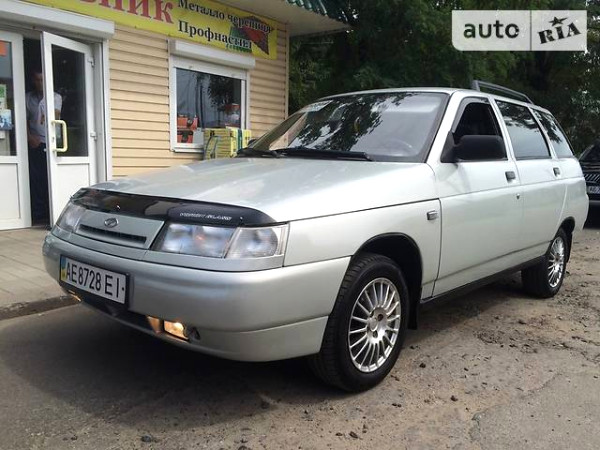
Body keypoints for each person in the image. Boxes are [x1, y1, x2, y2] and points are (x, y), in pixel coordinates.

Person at [26, 69, 62, 223]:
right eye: (37, 80)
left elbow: (54, 117)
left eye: (42, 80)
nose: (40, 83)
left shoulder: (55, 97)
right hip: (35, 143)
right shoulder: (28, 98)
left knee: (50, 178)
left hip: (51, 143)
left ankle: (51, 212)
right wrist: (29, 137)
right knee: (37, 179)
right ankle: (38, 214)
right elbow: (23, 119)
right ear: (33, 81)